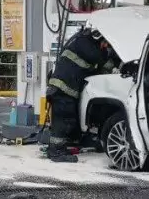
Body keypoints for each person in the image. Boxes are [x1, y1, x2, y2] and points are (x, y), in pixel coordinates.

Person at [47, 26, 118, 162]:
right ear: (97, 38)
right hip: (64, 89)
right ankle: (56, 152)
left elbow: (92, 69)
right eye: (105, 43)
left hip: (61, 88)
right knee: (63, 120)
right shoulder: (87, 46)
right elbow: (98, 58)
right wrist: (114, 66)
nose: (105, 46)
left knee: (64, 120)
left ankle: (57, 149)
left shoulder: (79, 41)